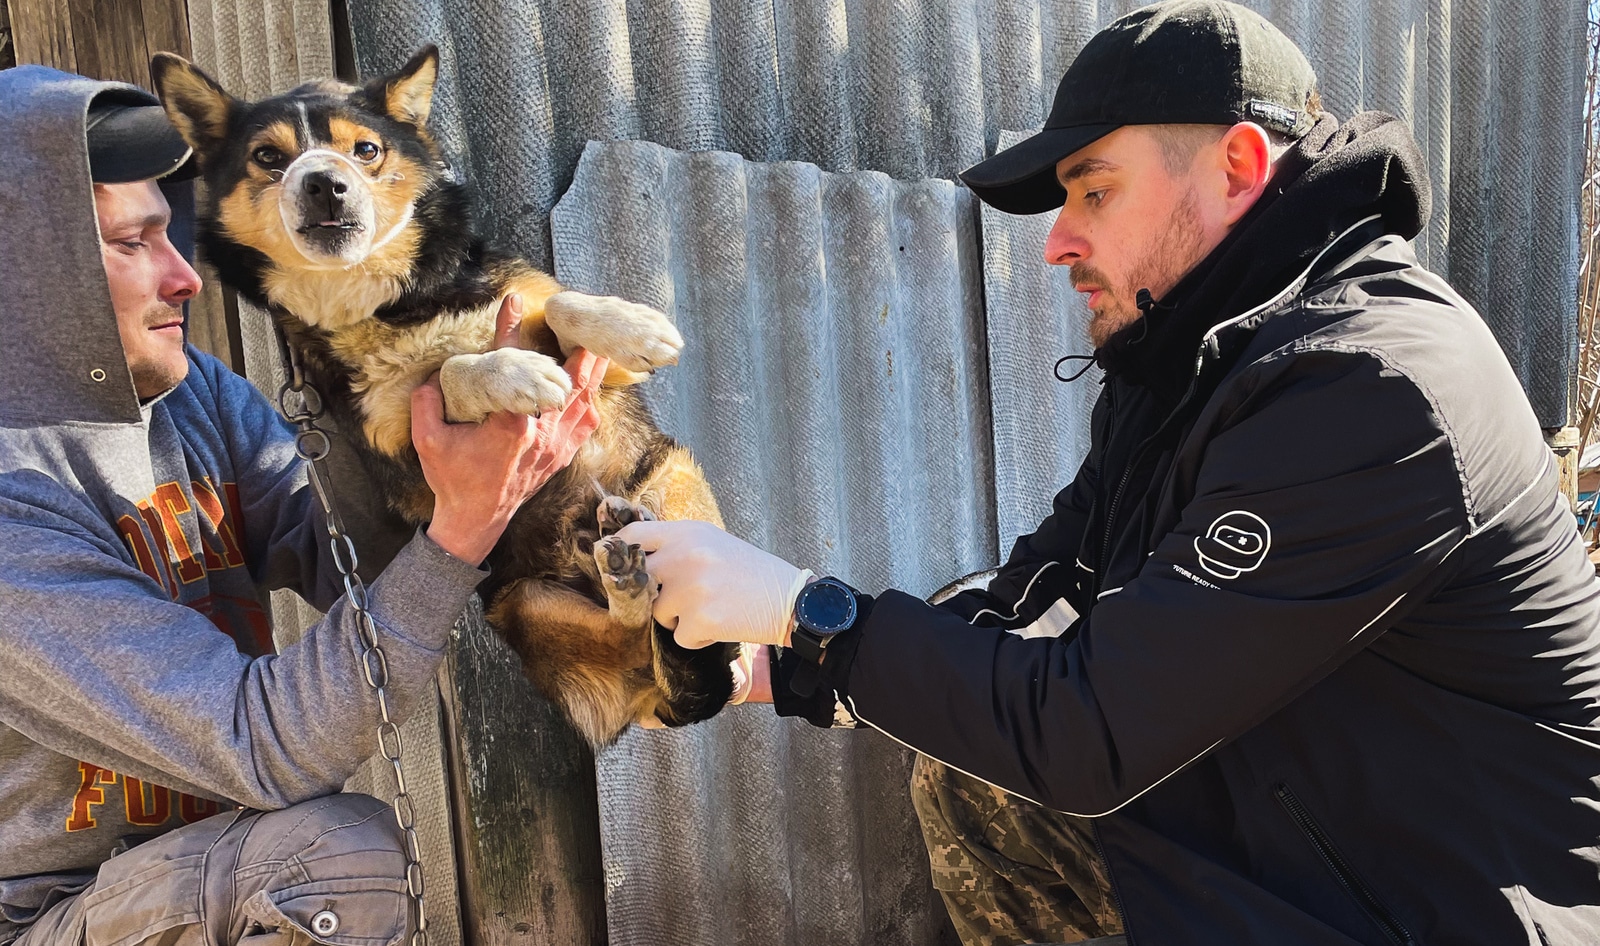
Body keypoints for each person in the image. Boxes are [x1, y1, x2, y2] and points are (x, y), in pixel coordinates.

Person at [621, 2, 1600, 944]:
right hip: (1300, 838)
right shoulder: (1184, 362)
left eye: (1093, 190)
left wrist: (807, 609)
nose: (1056, 242)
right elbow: (1033, 596)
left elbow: (1086, 733)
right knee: (969, 772)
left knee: (1039, 749)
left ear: (1237, 167)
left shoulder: (1373, 390)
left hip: (1441, 904)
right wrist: (773, 664)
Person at [0, 66, 606, 946]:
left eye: (170, 234)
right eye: (133, 244)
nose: (187, 280)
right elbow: (267, 744)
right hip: (52, 915)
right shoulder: (12, 506)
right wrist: (465, 523)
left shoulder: (187, 394)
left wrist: (406, 388)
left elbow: (350, 559)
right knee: (332, 864)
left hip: (207, 863)